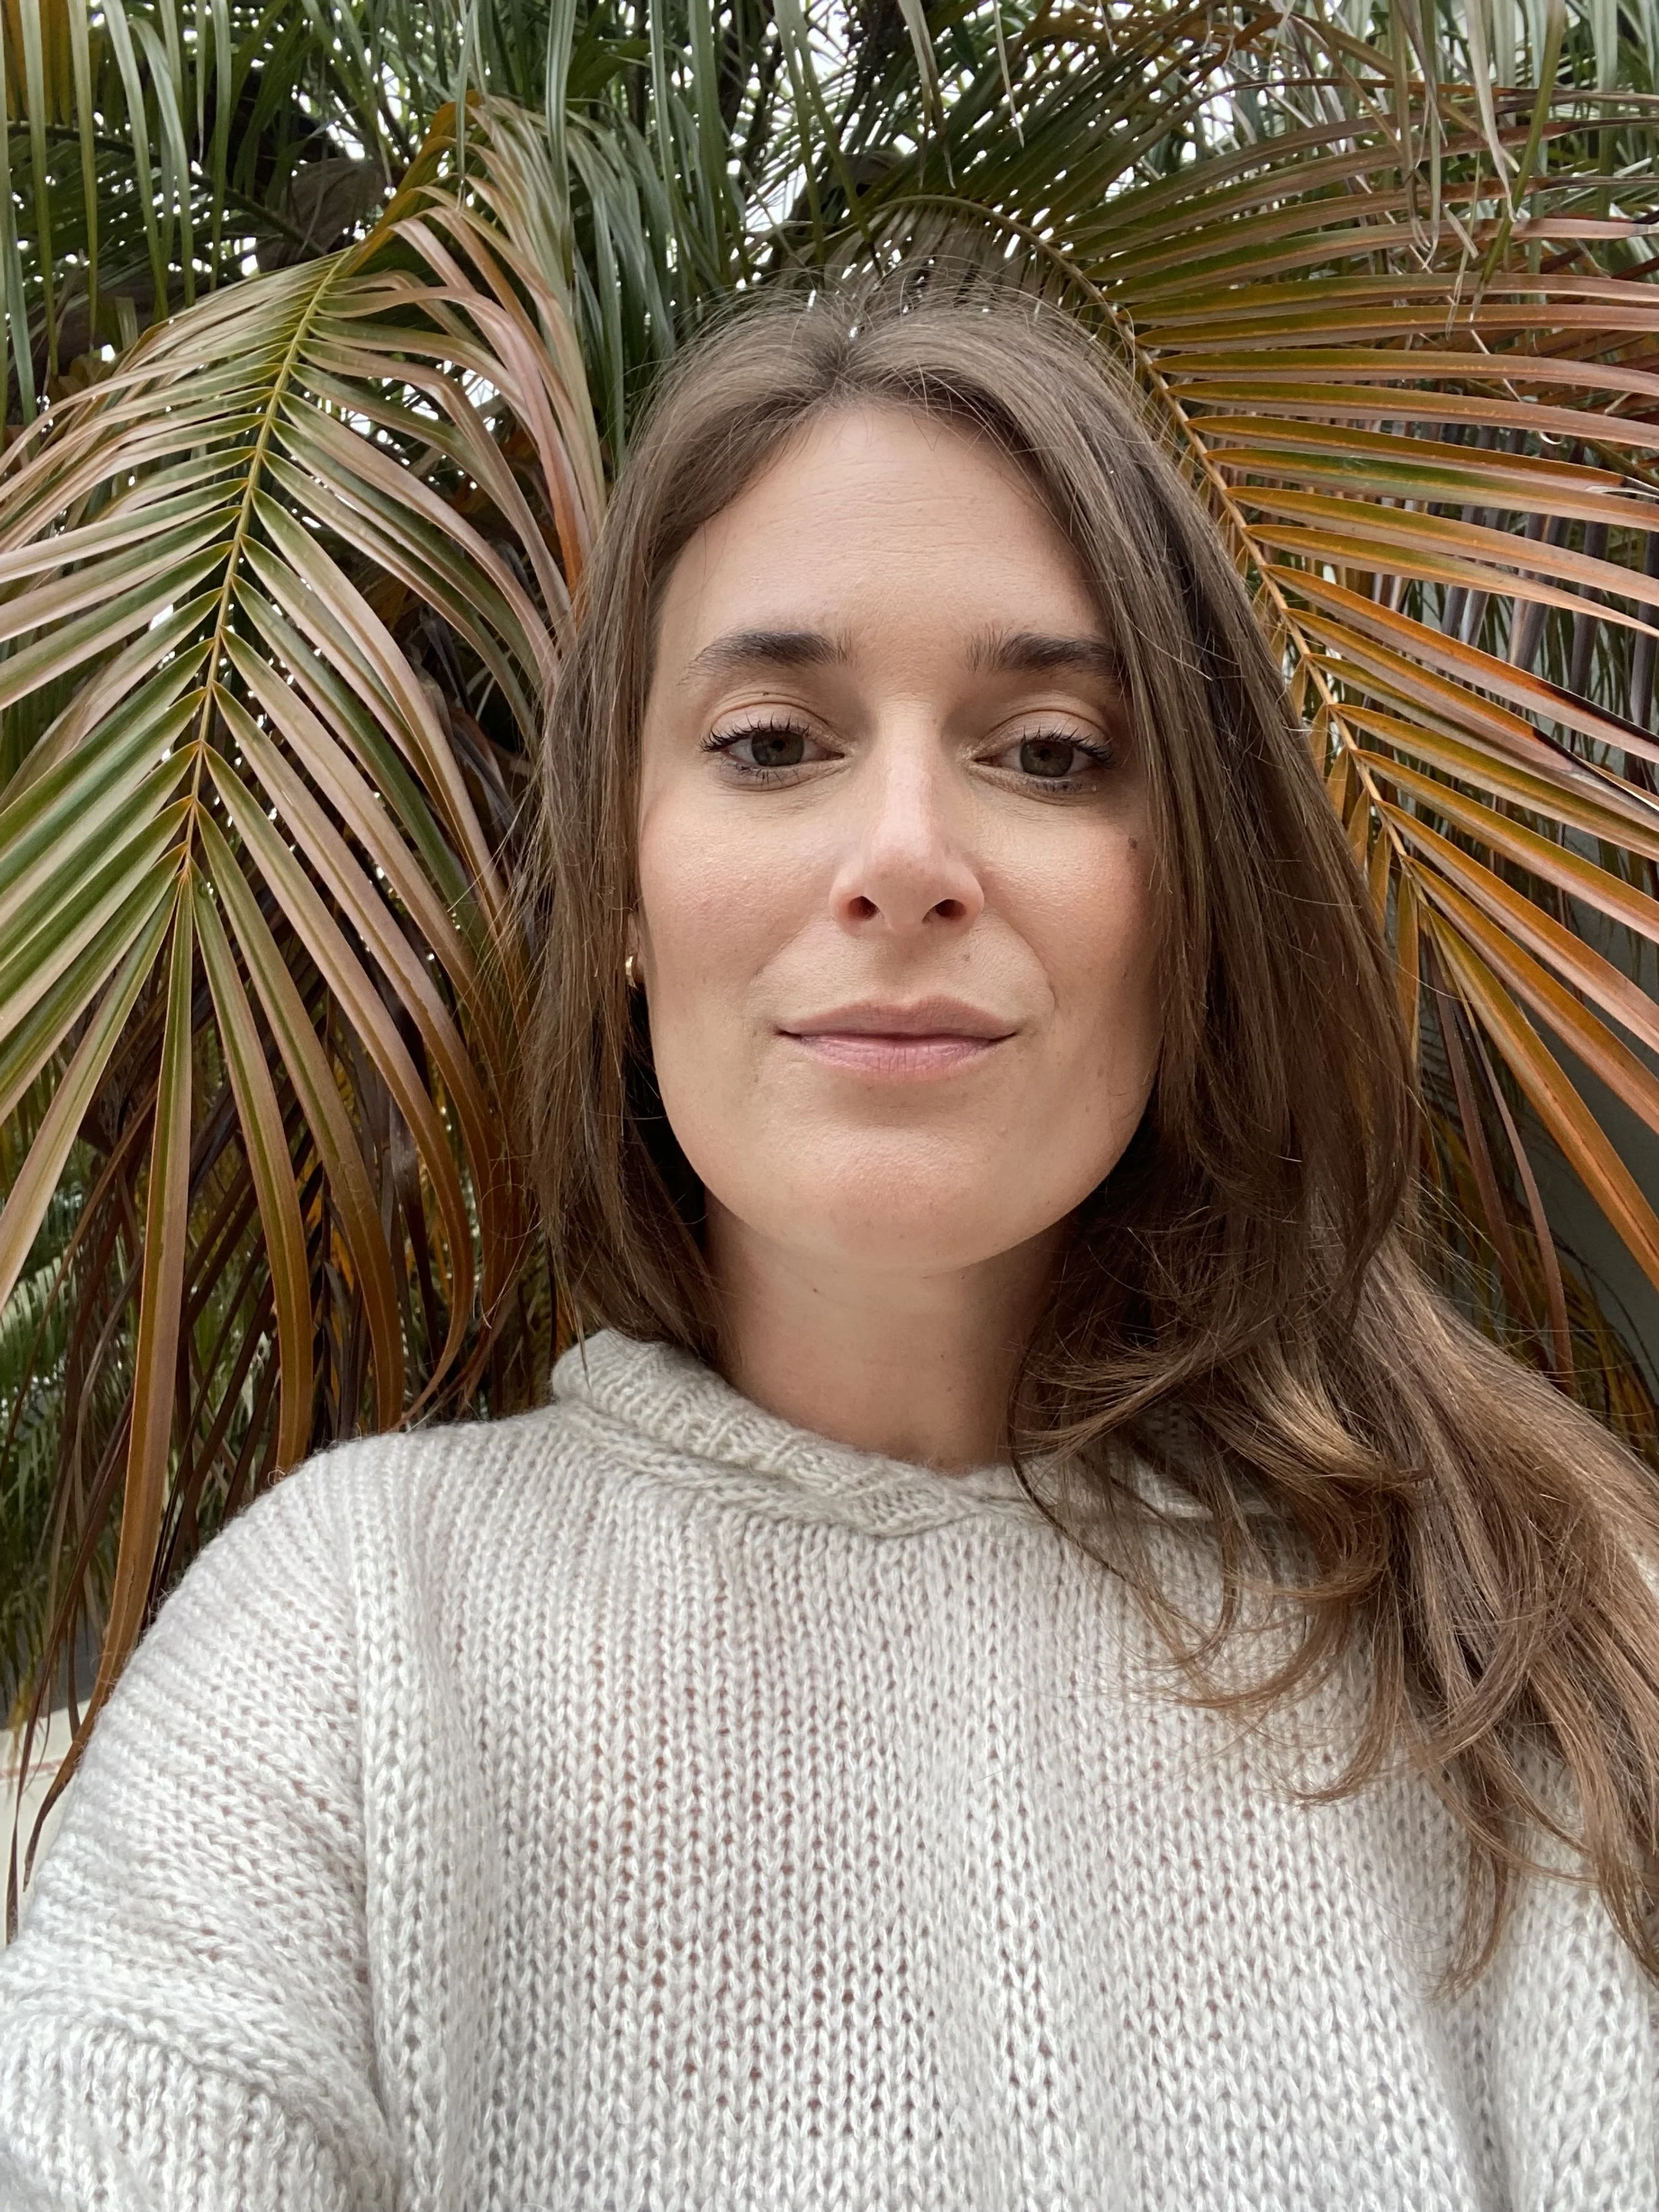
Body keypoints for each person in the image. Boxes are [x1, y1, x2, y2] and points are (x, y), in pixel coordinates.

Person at [2, 277, 1657, 2211]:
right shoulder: (346, 1652)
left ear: (1188, 888)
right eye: (774, 741)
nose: (902, 853)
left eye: (1045, 751)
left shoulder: (1537, 1637)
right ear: (623, 880)